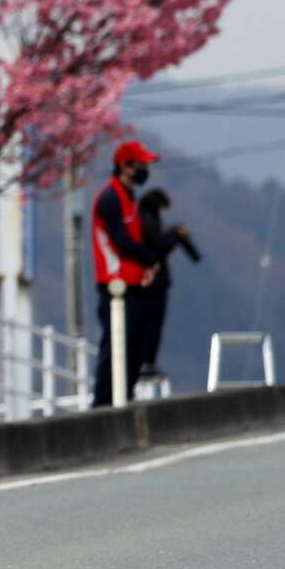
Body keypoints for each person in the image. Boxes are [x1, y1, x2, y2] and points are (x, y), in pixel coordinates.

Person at [91, 140, 163, 407]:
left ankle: (124, 398)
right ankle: (103, 405)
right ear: (125, 166)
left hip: (132, 283)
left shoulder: (127, 196)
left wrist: (147, 266)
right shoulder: (110, 198)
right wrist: (150, 258)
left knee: (133, 347)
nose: (145, 169)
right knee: (114, 348)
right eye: (141, 164)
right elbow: (121, 241)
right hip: (114, 285)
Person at [135, 187, 198, 380]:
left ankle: (146, 362)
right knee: (152, 324)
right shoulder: (147, 220)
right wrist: (175, 235)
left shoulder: (142, 218)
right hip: (153, 282)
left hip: (151, 281)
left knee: (149, 324)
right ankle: (147, 363)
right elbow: (157, 244)